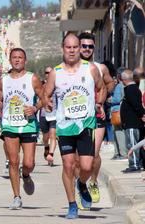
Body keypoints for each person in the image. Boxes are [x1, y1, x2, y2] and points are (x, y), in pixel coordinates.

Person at [45, 32, 106, 219]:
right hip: (65, 126)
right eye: (68, 47)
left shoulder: (91, 69)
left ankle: (81, 184)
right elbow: (46, 93)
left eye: (74, 47)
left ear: (79, 48)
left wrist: (99, 103)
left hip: (86, 124)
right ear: (63, 49)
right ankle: (72, 205)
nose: (71, 51)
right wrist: (46, 102)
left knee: (86, 166)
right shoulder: (56, 72)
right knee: (68, 165)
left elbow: (101, 87)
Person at [0, 48, 44, 210]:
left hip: (28, 124)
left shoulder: (33, 79)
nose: (17, 60)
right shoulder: (4, 80)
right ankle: (16, 197)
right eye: (14, 57)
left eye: (20, 58)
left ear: (25, 60)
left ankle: (26, 174)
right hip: (9, 124)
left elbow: (44, 98)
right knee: (13, 161)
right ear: (10, 60)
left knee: (28, 162)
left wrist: (35, 108)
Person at [78, 32, 115, 204]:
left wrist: (103, 98)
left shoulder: (101, 68)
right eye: (83, 46)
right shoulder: (70, 68)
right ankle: (82, 185)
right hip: (76, 116)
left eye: (90, 46)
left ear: (94, 48)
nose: (86, 49)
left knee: (94, 153)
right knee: (81, 157)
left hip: (96, 115)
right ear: (78, 46)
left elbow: (110, 83)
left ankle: (92, 182)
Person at [120, 69, 145, 173]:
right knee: (133, 143)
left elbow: (137, 105)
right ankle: (135, 163)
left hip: (132, 123)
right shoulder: (133, 89)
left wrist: (142, 114)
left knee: (132, 144)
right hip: (131, 122)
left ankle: (134, 164)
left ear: (124, 79)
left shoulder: (130, 89)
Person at [39, 67, 57, 166]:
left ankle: (51, 154)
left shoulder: (58, 85)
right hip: (43, 115)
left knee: (53, 135)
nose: (48, 74)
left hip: (54, 115)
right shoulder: (41, 86)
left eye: (50, 72)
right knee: (45, 138)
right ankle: (46, 146)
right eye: (46, 72)